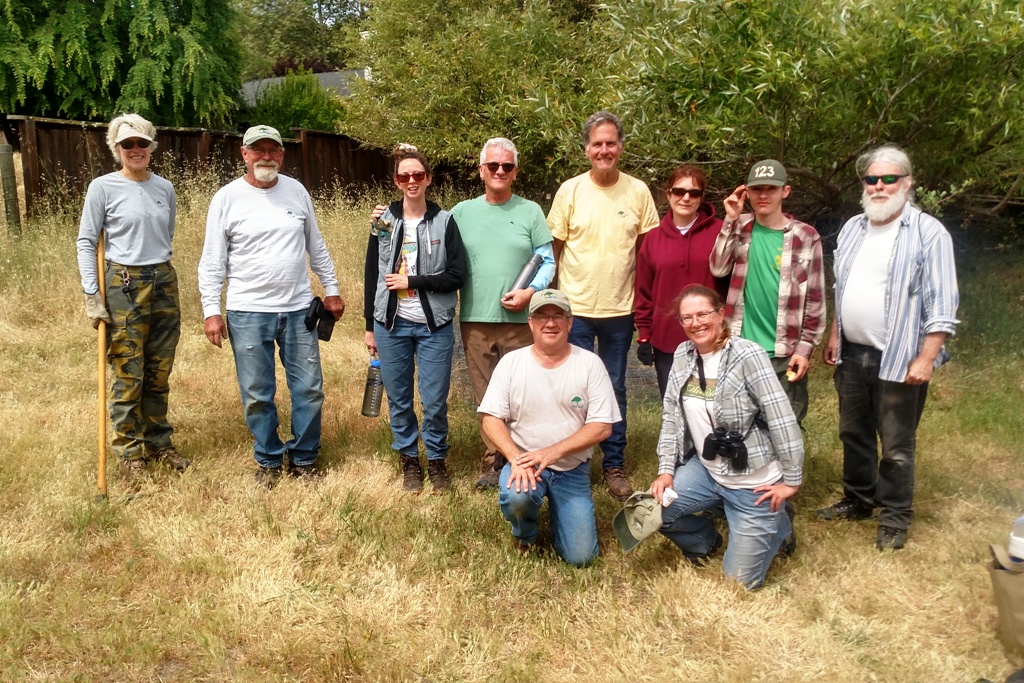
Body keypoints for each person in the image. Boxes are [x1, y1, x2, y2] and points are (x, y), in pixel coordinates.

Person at [818, 145, 959, 551]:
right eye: (871, 180)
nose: (879, 186)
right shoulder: (853, 228)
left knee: (897, 443)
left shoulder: (928, 232)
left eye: (888, 179)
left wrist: (928, 357)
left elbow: (943, 303)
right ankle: (859, 499)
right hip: (853, 352)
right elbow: (841, 289)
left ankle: (895, 516)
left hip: (900, 358)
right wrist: (834, 334)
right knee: (853, 433)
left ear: (907, 183)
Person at [198, 125, 345, 487]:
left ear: (282, 154)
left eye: (273, 150)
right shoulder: (227, 198)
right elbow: (212, 260)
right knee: (256, 393)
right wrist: (211, 310)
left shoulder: (296, 192)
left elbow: (317, 246)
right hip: (247, 311)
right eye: (258, 150)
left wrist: (333, 289)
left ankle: (305, 459)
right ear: (244, 154)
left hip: (298, 310)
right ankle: (268, 459)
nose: (266, 156)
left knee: (309, 388)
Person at [649, 285, 801, 590]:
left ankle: (778, 523)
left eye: (703, 314)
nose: (695, 323)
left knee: (739, 584)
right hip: (707, 471)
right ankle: (705, 541)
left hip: (753, 482)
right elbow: (670, 417)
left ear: (721, 314)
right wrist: (666, 470)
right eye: (686, 318)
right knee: (652, 513)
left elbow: (781, 416)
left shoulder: (747, 355)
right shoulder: (683, 354)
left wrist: (791, 481)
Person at [546, 110, 659, 500]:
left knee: (613, 388)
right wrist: (551, 301)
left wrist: (645, 310)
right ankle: (572, 462)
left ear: (621, 147)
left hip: (619, 310)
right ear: (586, 149)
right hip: (574, 311)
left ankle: (613, 464)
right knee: (572, 389)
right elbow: (553, 251)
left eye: (611, 143)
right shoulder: (571, 191)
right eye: (597, 144)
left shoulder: (638, 191)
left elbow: (647, 254)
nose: (604, 150)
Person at [76, 113, 190, 481]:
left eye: (142, 143)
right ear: (117, 148)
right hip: (123, 284)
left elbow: (167, 232)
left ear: (151, 146)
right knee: (130, 371)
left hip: (163, 280)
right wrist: (93, 294)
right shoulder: (103, 188)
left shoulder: (165, 189)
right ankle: (129, 450)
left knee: (159, 370)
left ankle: (159, 441)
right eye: (128, 144)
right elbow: (86, 241)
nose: (136, 150)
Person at [479, 289, 621, 566]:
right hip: (525, 462)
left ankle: (563, 519)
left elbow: (602, 426)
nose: (550, 323)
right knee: (518, 497)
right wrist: (514, 459)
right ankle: (525, 533)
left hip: (572, 468)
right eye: (542, 316)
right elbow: (490, 418)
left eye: (558, 316)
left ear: (570, 323)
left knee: (580, 558)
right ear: (530, 323)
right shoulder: (511, 363)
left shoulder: (590, 364)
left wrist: (552, 453)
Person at [451, 138, 555, 489]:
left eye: (506, 166)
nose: (499, 171)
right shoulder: (461, 213)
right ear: (481, 170)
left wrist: (531, 292)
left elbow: (548, 260)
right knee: (486, 396)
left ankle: (528, 459)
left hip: (520, 323)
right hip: (475, 321)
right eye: (492, 166)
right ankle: (494, 463)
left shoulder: (530, 211)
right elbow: (431, 239)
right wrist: (386, 217)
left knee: (522, 394)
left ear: (515, 172)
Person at [364, 144, 467, 493]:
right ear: (396, 181)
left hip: (433, 326)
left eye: (418, 175)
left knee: (435, 400)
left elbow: (457, 275)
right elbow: (371, 274)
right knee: (399, 398)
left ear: (428, 179)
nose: (412, 181)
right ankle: (410, 461)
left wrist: (414, 281)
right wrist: (368, 326)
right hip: (390, 325)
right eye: (404, 176)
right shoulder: (383, 221)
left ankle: (437, 461)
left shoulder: (445, 220)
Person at [710, 159, 826, 423]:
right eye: (757, 189)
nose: (763, 195)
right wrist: (729, 219)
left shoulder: (806, 237)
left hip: (784, 354)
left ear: (785, 191)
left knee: (784, 426)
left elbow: (816, 299)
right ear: (746, 193)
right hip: (740, 348)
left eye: (771, 189)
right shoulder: (738, 227)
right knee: (738, 425)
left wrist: (805, 349)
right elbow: (718, 268)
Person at [635, 164, 728, 397]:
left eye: (694, 193)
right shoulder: (653, 239)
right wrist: (644, 334)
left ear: (701, 198)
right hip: (668, 339)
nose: (686, 198)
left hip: (711, 336)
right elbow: (644, 291)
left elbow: (731, 284)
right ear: (668, 194)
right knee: (674, 404)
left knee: (712, 403)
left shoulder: (720, 231)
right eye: (679, 191)